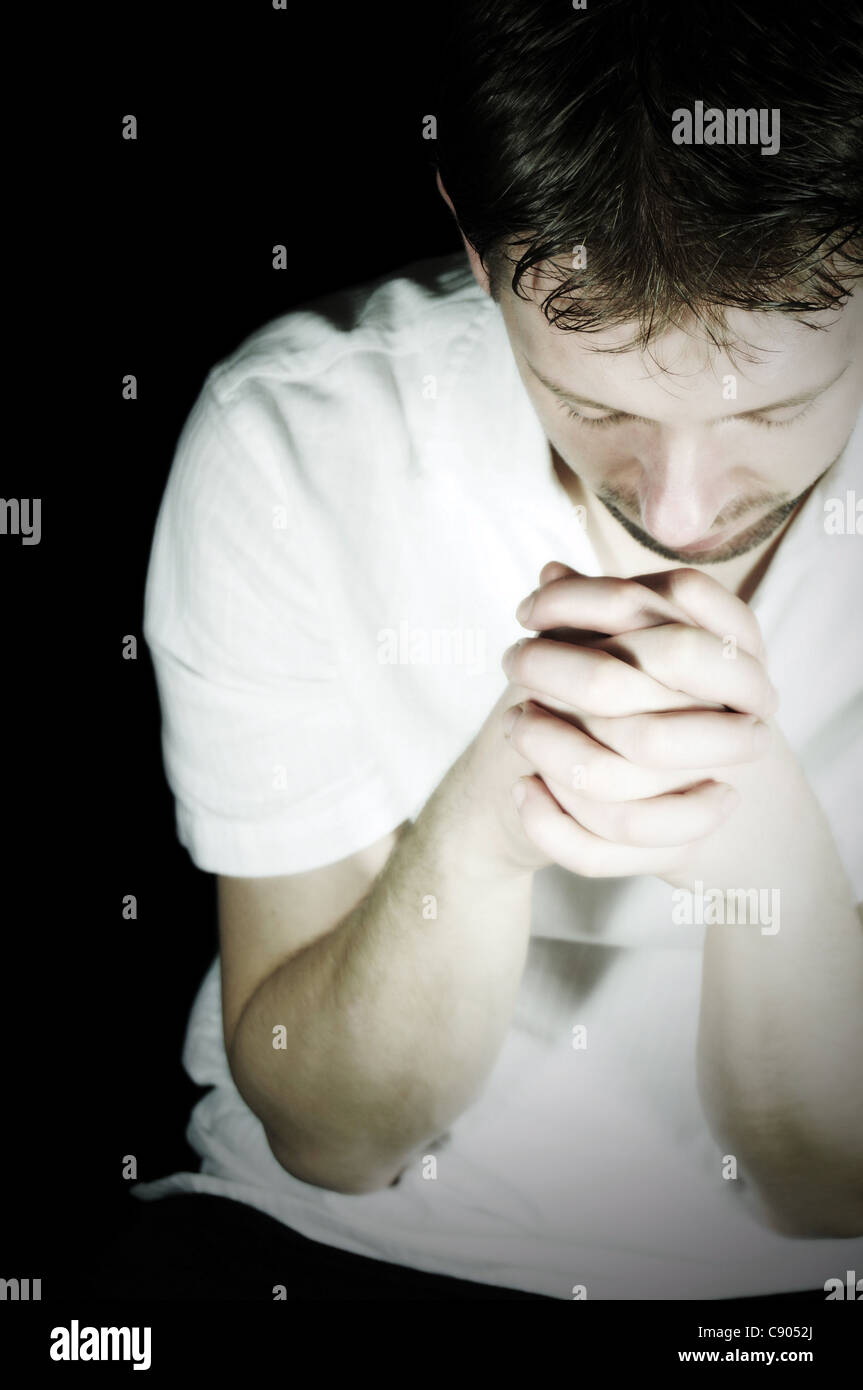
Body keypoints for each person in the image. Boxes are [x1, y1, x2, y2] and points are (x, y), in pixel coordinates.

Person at [128, 0, 862, 1300]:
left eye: (778, 409)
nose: (680, 510)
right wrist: (482, 826)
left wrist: (760, 846)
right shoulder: (292, 443)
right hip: (327, 1250)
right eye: (594, 401)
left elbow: (826, 1186)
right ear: (475, 242)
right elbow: (331, 1137)